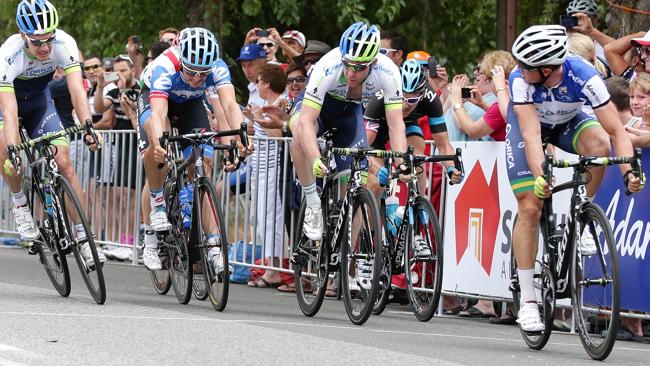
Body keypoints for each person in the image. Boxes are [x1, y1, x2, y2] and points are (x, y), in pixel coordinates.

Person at [507, 25, 642, 333]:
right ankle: (528, 301)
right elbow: (530, 135)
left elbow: (617, 131)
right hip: (530, 130)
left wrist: (628, 172)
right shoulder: (520, 81)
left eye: (525, 66)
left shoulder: (584, 75)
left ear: (546, 68)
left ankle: (583, 213)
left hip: (569, 123)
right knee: (530, 207)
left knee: (599, 145)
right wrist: (541, 175)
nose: (518, 69)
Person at [290, 22, 406, 290]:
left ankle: (349, 257)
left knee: (363, 183)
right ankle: (313, 207)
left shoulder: (388, 72)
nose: (352, 73)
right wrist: (316, 156)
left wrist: (400, 162)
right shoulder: (328, 66)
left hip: (350, 116)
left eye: (360, 67)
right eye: (348, 64)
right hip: (318, 109)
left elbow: (396, 123)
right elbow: (308, 121)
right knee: (298, 133)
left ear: (373, 63)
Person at [0, 0, 104, 266]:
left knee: (65, 163)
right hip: (8, 102)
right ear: (23, 36)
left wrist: (88, 126)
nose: (45, 47)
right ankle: (20, 203)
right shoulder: (8, 55)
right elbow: (10, 112)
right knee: (5, 148)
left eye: (49, 39)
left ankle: (84, 237)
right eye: (38, 42)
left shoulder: (64, 43)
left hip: (39, 103)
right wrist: (13, 148)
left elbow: (77, 91)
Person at [138, 27, 245, 271]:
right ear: (181, 59)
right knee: (159, 156)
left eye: (202, 74)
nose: (197, 78)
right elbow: (158, 113)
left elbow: (226, 106)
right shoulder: (165, 65)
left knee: (203, 171)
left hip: (190, 105)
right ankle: (152, 230)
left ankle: (215, 247)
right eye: (191, 71)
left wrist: (237, 138)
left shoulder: (217, 67)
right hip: (156, 101)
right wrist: (157, 143)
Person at [364, 59, 462, 199]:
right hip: (378, 131)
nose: (405, 105)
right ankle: (373, 219)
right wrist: (377, 169)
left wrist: (451, 168)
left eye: (411, 100)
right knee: (375, 184)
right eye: (401, 98)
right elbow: (363, 145)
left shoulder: (431, 99)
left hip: (408, 125)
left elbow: (444, 144)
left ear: (422, 95)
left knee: (417, 159)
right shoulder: (380, 97)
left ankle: (418, 202)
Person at [243, 64, 289, 288]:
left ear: (267, 83)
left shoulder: (278, 104)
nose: (257, 85)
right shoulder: (265, 105)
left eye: (259, 81)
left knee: (273, 217)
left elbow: (278, 134)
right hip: (259, 167)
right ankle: (270, 265)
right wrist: (252, 120)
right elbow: (259, 131)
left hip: (274, 168)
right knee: (262, 216)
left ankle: (275, 268)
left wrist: (260, 117)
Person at [449, 50, 515, 141]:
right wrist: (482, 103)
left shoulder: (500, 106)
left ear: (495, 78)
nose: (488, 83)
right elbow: (500, 117)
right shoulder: (512, 99)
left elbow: (472, 131)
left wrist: (457, 103)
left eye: (488, 80)